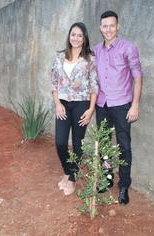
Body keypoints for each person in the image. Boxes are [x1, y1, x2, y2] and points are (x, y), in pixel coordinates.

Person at [93, 10, 143, 204]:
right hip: (102, 104)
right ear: (100, 28)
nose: (108, 29)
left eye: (111, 25)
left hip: (122, 104)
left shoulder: (128, 48)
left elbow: (137, 77)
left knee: (124, 146)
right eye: (104, 26)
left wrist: (135, 105)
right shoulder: (96, 50)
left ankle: (123, 186)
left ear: (118, 26)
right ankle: (106, 179)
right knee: (104, 144)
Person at [50, 22, 98, 196]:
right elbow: (53, 83)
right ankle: (67, 170)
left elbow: (94, 86)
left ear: (84, 38)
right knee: (61, 142)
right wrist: (57, 104)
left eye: (79, 35)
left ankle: (72, 178)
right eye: (73, 34)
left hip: (81, 105)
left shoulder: (90, 59)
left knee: (78, 143)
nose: (75, 38)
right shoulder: (59, 57)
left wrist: (91, 109)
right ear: (69, 36)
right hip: (63, 104)